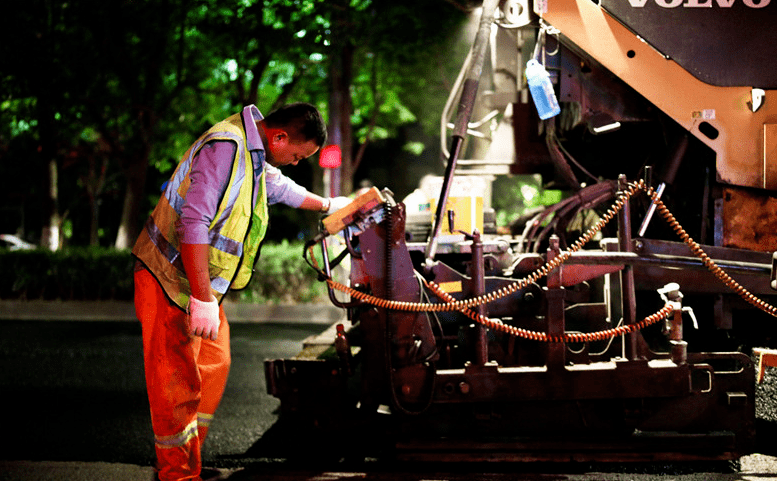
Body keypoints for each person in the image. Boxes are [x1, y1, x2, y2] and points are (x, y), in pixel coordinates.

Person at [132, 103, 351, 481]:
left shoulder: (252, 151)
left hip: (195, 286)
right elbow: (194, 223)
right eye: (298, 155)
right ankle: (176, 474)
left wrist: (329, 205)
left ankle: (189, 463)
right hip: (168, 278)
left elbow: (278, 186)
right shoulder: (226, 147)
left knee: (213, 365)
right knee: (177, 380)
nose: (296, 162)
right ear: (279, 136)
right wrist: (202, 298)